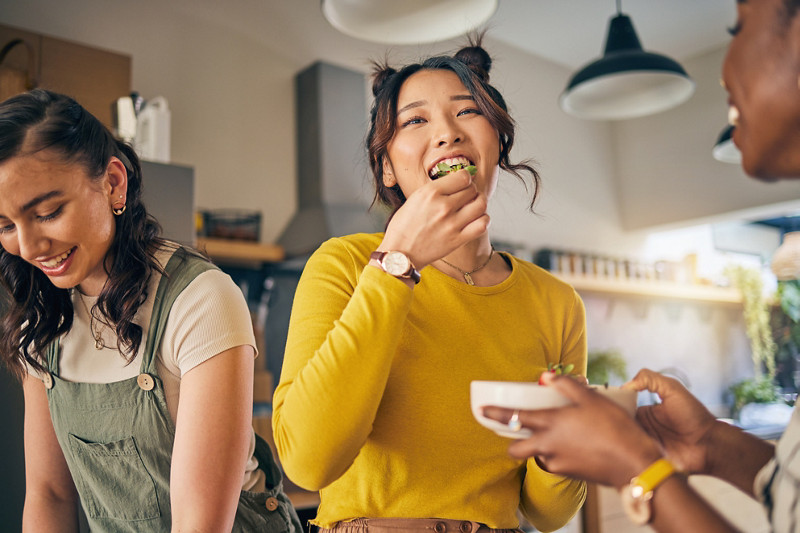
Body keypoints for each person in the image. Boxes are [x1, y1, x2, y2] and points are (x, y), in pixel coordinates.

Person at [482, 1, 800, 532]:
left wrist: (638, 466)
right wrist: (711, 443)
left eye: (740, 28)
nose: (725, 72)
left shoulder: (553, 301)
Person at [272, 39, 588, 533]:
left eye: (467, 112)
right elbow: (308, 463)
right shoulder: (344, 265)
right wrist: (396, 264)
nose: (447, 132)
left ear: (498, 145)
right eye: (415, 120)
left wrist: (566, 435)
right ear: (387, 167)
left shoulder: (557, 302)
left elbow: (550, 514)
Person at [0, 89, 302, 533]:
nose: (28, 248)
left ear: (113, 183)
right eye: (6, 225)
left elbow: (199, 526)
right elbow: (50, 495)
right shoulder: (43, 319)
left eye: (47, 212)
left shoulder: (200, 301)